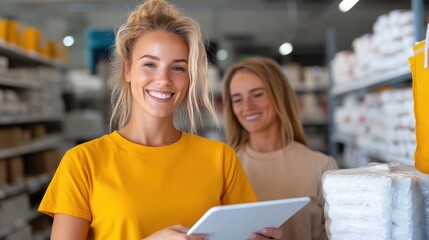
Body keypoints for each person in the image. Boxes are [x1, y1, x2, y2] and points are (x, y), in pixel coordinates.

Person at [38, 1, 283, 240]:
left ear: (189, 78)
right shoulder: (82, 163)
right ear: (127, 70)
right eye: (150, 64)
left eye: (177, 68)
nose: (163, 79)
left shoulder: (221, 159)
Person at [222, 56, 338, 240]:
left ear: (280, 96)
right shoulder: (225, 167)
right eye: (237, 99)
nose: (247, 107)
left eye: (257, 94)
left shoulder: (322, 167)